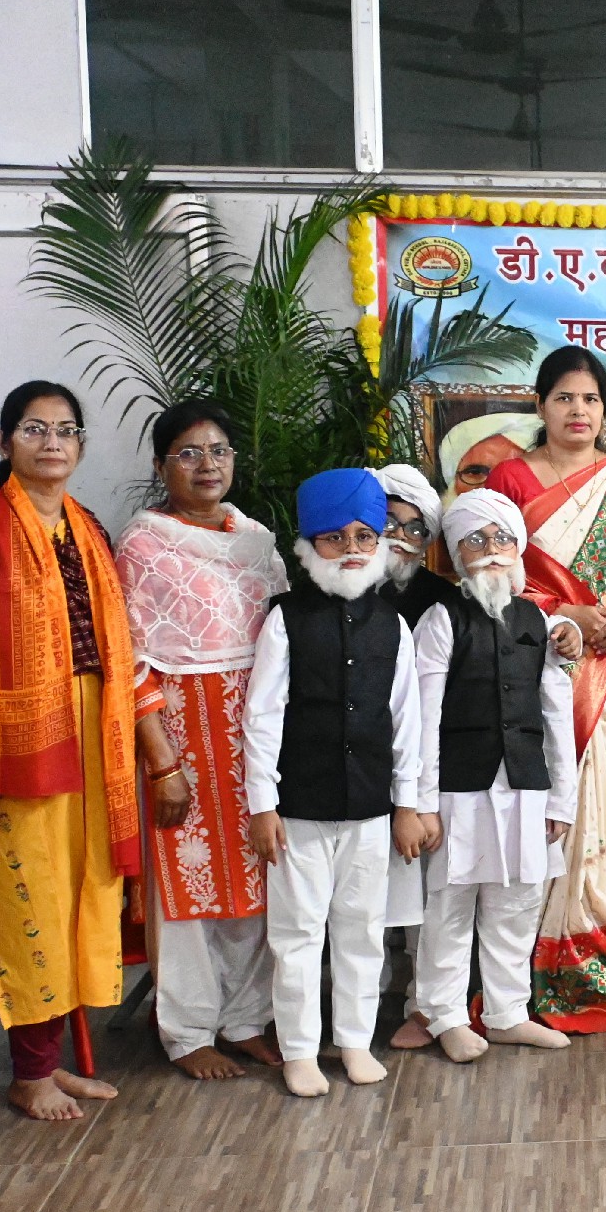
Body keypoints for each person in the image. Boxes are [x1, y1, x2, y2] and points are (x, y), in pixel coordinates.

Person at [0, 381, 181, 1121]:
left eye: (66, 430)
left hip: (98, 739)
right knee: (28, 898)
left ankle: (53, 1061)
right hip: (17, 748)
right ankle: (29, 1073)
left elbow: (117, 644)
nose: (52, 443)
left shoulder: (86, 529)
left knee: (84, 897)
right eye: (35, 429)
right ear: (5, 442)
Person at [486, 346, 606, 1033]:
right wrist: (564, 610)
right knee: (542, 812)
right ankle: (520, 981)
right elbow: (489, 568)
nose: (578, 410)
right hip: (536, 662)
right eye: (564, 398)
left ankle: (603, 968)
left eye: (590, 399)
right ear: (540, 405)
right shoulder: (509, 479)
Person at [114, 401, 288, 1081]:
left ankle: (246, 1020)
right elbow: (128, 659)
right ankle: (187, 1032)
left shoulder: (257, 541)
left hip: (254, 738)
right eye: (188, 452)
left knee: (257, 881)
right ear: (162, 466)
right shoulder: (143, 546)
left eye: (218, 450)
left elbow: (283, 641)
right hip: (182, 738)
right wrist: (162, 763)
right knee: (186, 888)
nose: (206, 464)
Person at [243, 469, 426, 1097]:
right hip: (298, 806)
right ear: (308, 545)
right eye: (334, 537)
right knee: (297, 932)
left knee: (362, 929)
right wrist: (262, 804)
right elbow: (262, 717)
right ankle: (299, 1050)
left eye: (364, 536)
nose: (351, 548)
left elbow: (407, 722)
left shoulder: (394, 625)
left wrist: (408, 804)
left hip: (371, 806)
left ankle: (353, 1042)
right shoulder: (286, 620)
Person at [414, 490, 579, 1059]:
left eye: (502, 538)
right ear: (456, 552)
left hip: (526, 787)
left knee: (517, 904)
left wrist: (562, 800)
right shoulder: (441, 619)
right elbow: (423, 717)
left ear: (518, 549)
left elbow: (557, 715)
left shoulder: (540, 621)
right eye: (476, 540)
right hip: (457, 790)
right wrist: (422, 802)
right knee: (451, 905)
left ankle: (508, 1013)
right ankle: (444, 1014)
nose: (491, 549)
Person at [374, 462, 458, 1052]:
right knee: (361, 897)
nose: (401, 538)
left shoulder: (444, 601)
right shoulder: (336, 584)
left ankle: (424, 1007)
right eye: (388, 523)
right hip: (353, 761)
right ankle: (357, 1008)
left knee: (426, 897)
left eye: (415, 529)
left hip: (427, 766)